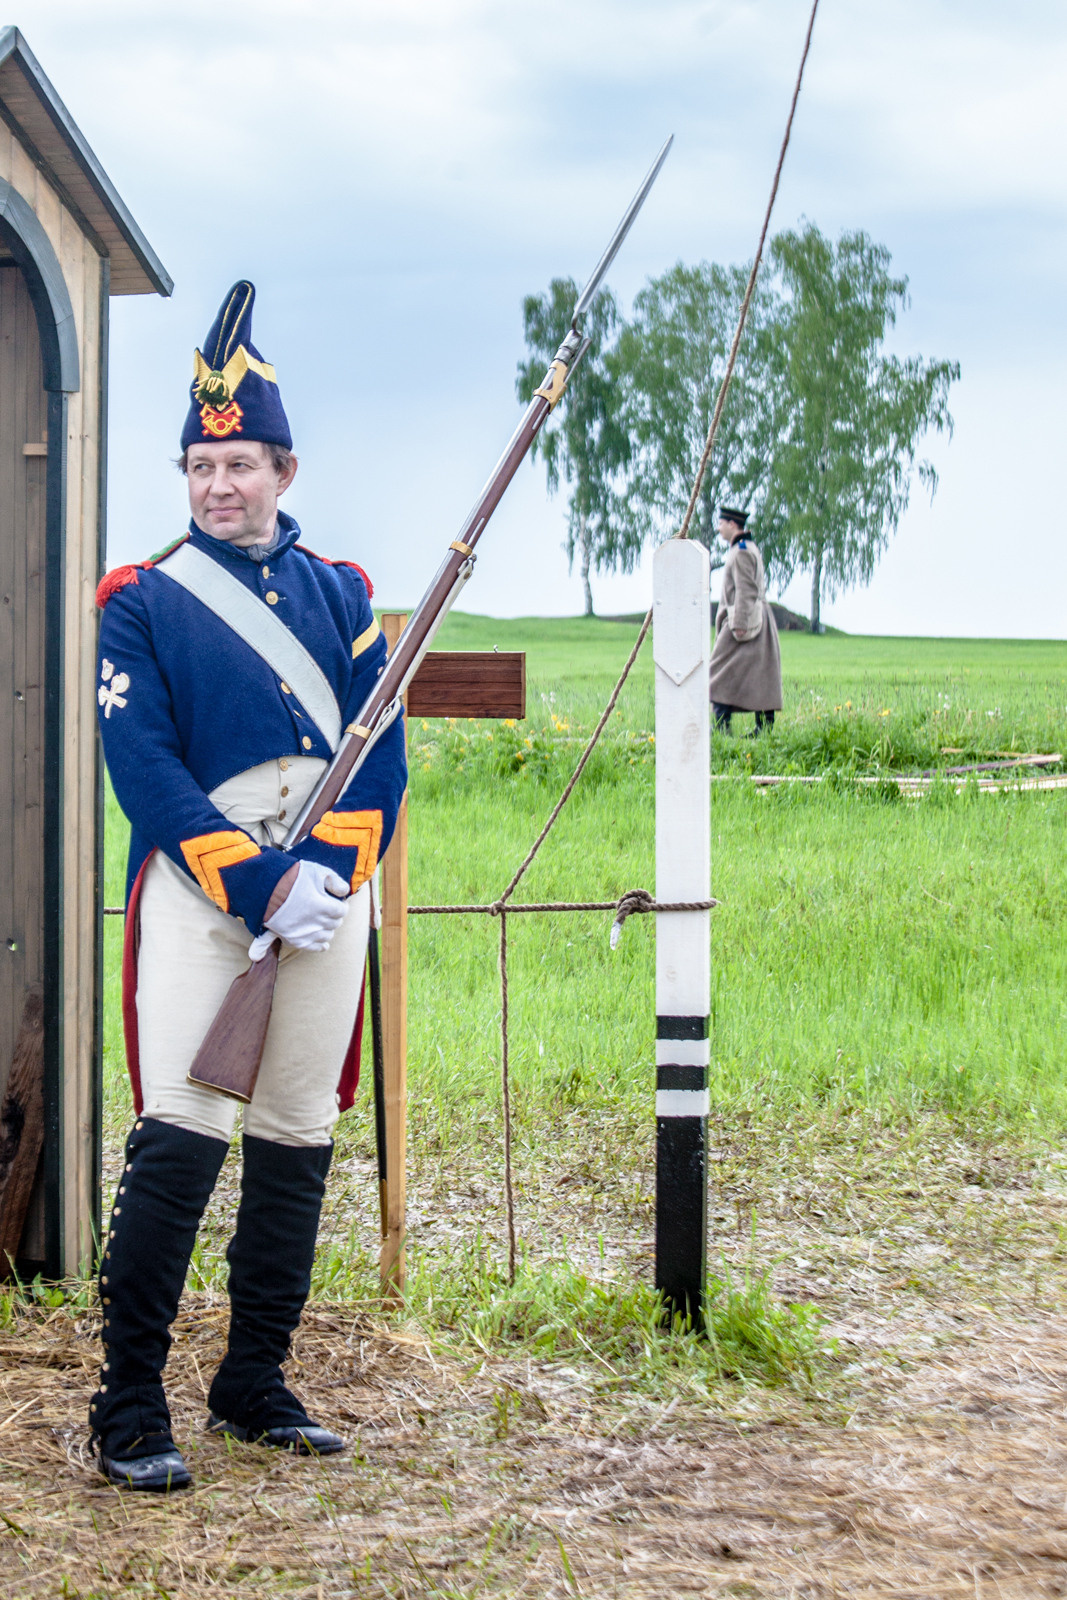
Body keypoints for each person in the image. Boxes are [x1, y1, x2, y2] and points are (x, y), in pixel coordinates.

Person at [90, 281, 407, 1492]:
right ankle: (128, 1405)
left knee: (295, 1136)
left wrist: (326, 877)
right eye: (199, 464)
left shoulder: (340, 593)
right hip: (203, 891)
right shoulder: (143, 600)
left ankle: (253, 1381)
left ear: (284, 466)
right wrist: (260, 884)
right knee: (178, 1136)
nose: (217, 484)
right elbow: (149, 775)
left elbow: (381, 758)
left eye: (239, 462)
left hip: (327, 899)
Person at [708, 506, 782, 733]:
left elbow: (746, 590)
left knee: (719, 672)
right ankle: (761, 727)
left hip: (745, 620)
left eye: (721, 524)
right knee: (759, 673)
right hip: (753, 618)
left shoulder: (741, 551)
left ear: (732, 524)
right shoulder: (746, 547)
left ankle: (723, 726)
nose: (718, 529)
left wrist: (738, 624)